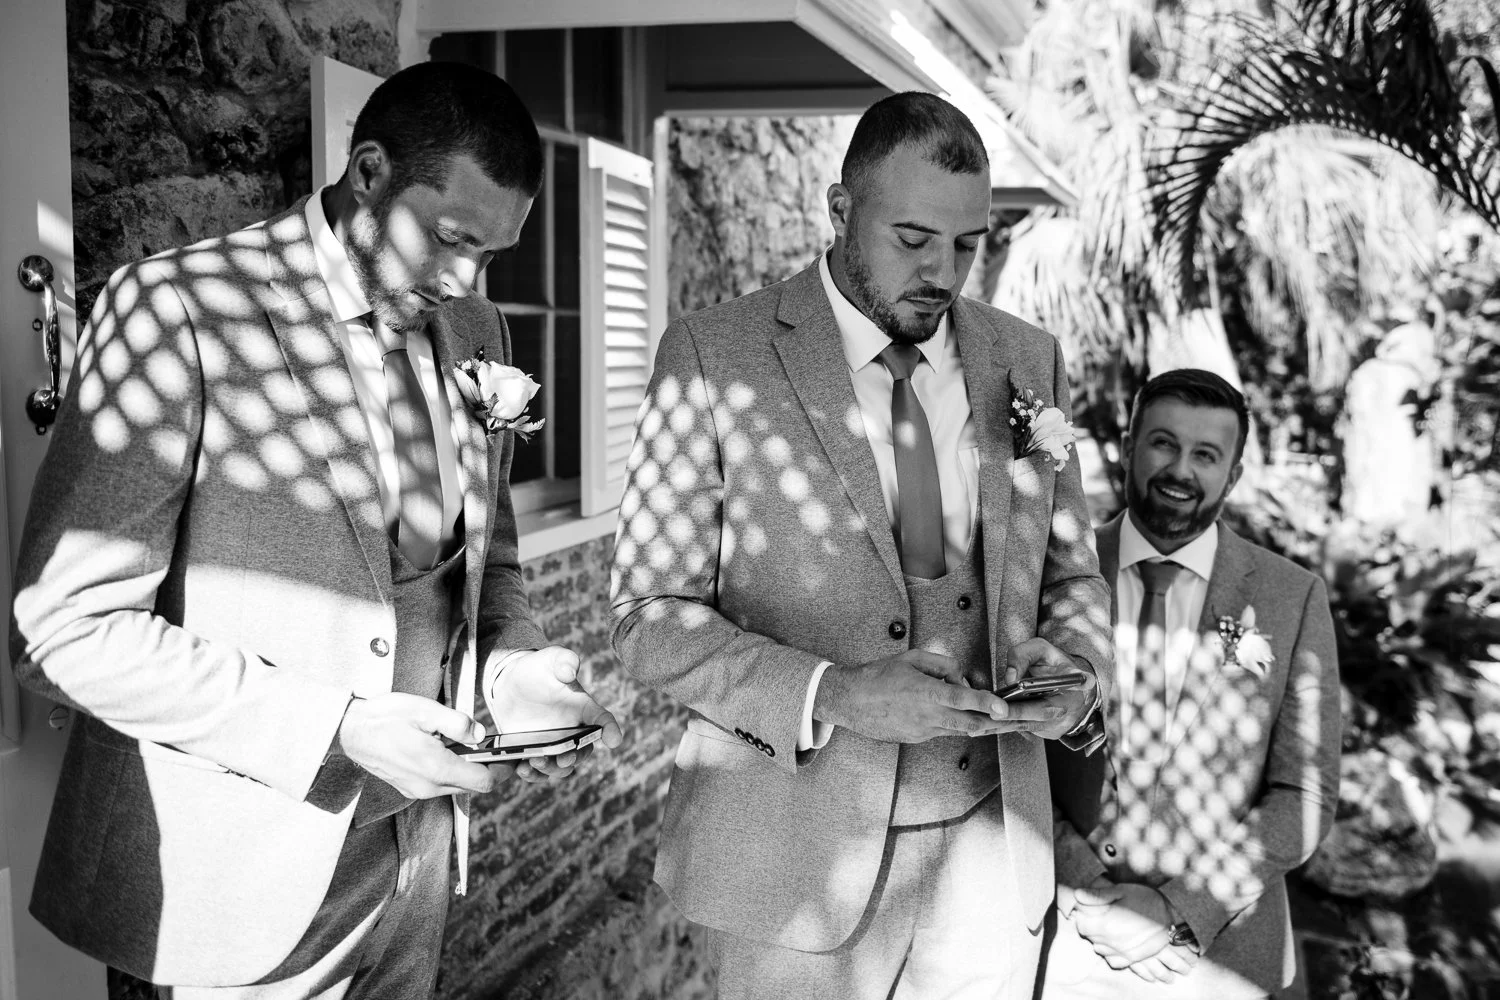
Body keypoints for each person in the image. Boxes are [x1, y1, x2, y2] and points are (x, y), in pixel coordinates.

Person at [10, 61, 618, 999]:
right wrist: (338, 730)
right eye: (450, 239)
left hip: (419, 857)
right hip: (243, 882)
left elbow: (484, 566)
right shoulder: (177, 312)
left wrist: (514, 665)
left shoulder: (476, 331)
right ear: (368, 172)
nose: (465, 280)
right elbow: (64, 633)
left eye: (492, 255)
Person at [609, 91, 1113, 999]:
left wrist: (1076, 667)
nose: (942, 271)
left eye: (968, 244)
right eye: (912, 238)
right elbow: (649, 618)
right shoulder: (714, 355)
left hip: (994, 859)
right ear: (840, 210)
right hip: (794, 870)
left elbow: (1073, 573)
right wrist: (833, 693)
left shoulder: (1026, 358)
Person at [1041, 368, 1341, 1000]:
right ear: (1129, 448)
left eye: (1206, 454)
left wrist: (1182, 908)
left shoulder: (1292, 597)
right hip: (1065, 933)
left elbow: (1305, 795)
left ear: (1232, 473)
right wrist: (1086, 888)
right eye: (1164, 443)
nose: (1180, 470)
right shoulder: (1049, 572)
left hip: (1219, 953)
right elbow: (1008, 757)